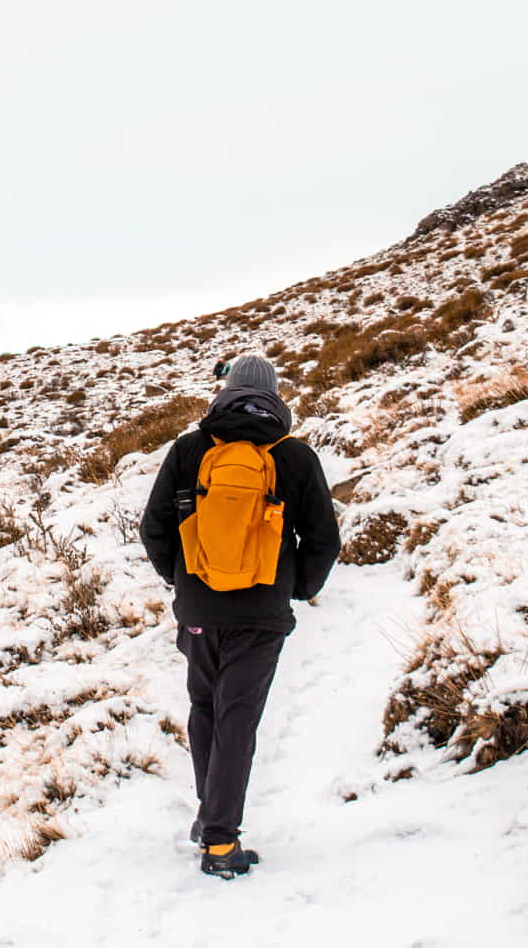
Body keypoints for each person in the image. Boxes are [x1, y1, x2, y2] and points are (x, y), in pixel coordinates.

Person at [139, 354, 341, 878]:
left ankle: (212, 819)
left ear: (225, 390)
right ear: (273, 394)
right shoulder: (295, 456)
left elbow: (154, 527)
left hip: (200, 610)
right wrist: (295, 588)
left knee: (206, 711)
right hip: (261, 614)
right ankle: (221, 843)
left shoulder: (189, 449)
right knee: (238, 722)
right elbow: (323, 539)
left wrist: (179, 579)